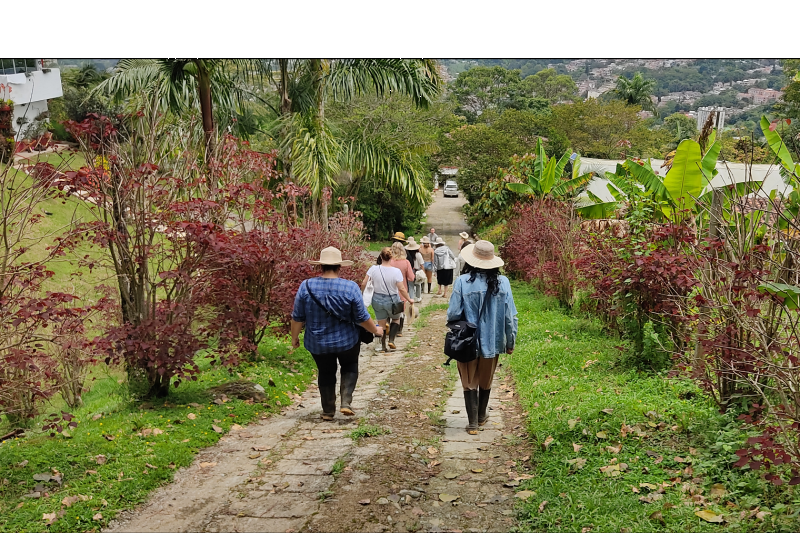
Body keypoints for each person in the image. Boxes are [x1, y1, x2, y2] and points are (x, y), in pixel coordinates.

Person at [291, 247, 384, 421]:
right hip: (347, 341)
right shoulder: (350, 287)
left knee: (325, 372)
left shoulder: (306, 286)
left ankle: (327, 411)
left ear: (321, 267)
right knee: (349, 366)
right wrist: (376, 330)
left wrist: (294, 337)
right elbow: (362, 317)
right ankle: (346, 402)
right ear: (339, 267)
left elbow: (297, 317)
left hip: (317, 342)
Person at [447, 240, 518, 435]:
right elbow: (510, 317)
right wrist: (510, 342)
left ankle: (472, 423)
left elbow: (453, 314)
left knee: (469, 381)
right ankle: (481, 415)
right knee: (486, 379)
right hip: (492, 341)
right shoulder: (503, 283)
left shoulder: (462, 282)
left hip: (467, 342)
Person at [362, 248, 412, 353]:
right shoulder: (396, 271)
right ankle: (392, 340)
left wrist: (361, 294)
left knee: (381, 324)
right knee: (396, 319)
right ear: (391, 258)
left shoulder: (373, 269)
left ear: (380, 257)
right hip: (393, 299)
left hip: (377, 299)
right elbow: (401, 288)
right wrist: (409, 299)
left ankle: (383, 345)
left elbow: (363, 283)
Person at [388, 241, 415, 338]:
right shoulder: (406, 262)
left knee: (388, 308)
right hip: (401, 290)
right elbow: (411, 278)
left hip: (389, 290)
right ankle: (399, 330)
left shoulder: (389, 262)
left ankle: (387, 323)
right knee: (401, 311)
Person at [405, 237, 424, 303]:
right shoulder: (418, 254)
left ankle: (411, 298)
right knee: (418, 284)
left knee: (411, 285)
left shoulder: (406, 255)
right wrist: (423, 271)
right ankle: (418, 297)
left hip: (409, 271)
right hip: (417, 270)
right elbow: (421, 264)